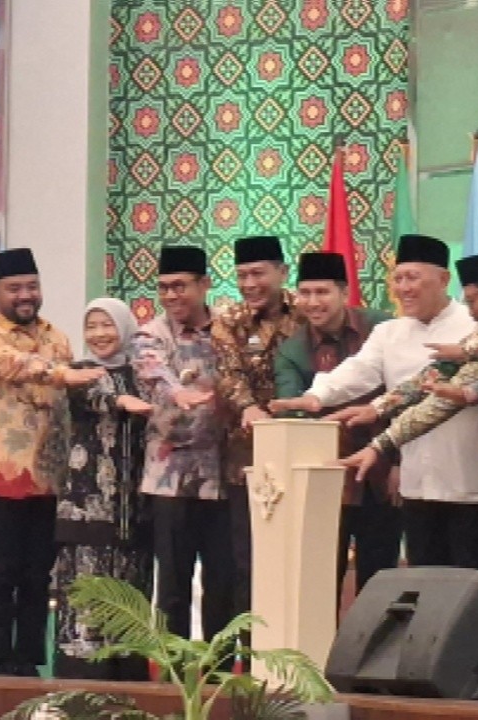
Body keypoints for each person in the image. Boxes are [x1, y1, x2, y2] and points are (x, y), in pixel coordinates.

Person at [338, 251, 478, 620]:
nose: (470, 312)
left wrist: (475, 388)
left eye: (473, 301)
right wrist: (380, 414)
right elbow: (434, 378)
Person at [271, 234, 478, 576]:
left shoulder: (475, 326)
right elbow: (358, 370)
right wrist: (316, 396)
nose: (403, 287)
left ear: (442, 279)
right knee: (424, 586)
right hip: (415, 483)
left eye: (413, 277)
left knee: (471, 584)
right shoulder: (389, 332)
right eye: (398, 278)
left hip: (471, 479)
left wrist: (379, 407)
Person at [0, 247, 106, 677]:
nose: (25, 295)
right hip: (1, 473)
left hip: (49, 475)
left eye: (32, 286)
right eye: (15, 289)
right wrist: (66, 375)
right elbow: (21, 366)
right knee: (1, 571)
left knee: (38, 573)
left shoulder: (57, 337)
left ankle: (28, 660)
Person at [273, 251, 399, 600]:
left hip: (382, 473)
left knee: (381, 584)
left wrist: (399, 462)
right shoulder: (292, 350)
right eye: (306, 293)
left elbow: (406, 394)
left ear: (344, 292)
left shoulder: (382, 328)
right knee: (319, 585)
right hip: (325, 479)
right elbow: (293, 413)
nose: (313, 302)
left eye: (323, 292)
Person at [48, 298, 154, 680]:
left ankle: (130, 682)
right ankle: (81, 686)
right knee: (86, 605)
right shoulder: (80, 373)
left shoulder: (143, 373)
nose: (99, 334)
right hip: (86, 512)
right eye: (91, 326)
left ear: (125, 327)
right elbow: (90, 398)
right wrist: (120, 401)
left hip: (136, 513)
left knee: (131, 602)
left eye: (107, 325)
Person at [132, 244, 233, 641]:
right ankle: (173, 679)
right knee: (172, 586)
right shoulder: (150, 333)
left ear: (204, 285)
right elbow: (152, 368)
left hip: (222, 476)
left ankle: (220, 676)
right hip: (168, 479)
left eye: (180, 286)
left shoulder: (228, 329)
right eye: (163, 288)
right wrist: (178, 392)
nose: (171, 296)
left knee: (223, 583)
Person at [211, 235, 301, 623]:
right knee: (246, 557)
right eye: (242, 275)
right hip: (244, 458)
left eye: (258, 273)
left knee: (296, 557)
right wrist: (248, 406)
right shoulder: (228, 320)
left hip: (301, 454)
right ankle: (249, 655)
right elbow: (227, 373)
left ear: (282, 272)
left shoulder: (305, 312)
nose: (249, 284)